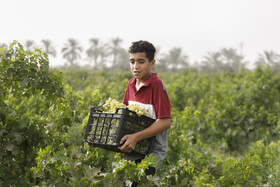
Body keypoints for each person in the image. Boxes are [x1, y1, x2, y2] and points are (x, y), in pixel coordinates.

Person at [118, 40, 171, 186]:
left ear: (152, 62)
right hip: (134, 148)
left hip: (152, 151)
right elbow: (125, 116)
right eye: (132, 61)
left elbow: (165, 121)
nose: (135, 66)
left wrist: (136, 137)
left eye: (141, 62)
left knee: (137, 183)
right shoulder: (130, 84)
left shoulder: (156, 85)